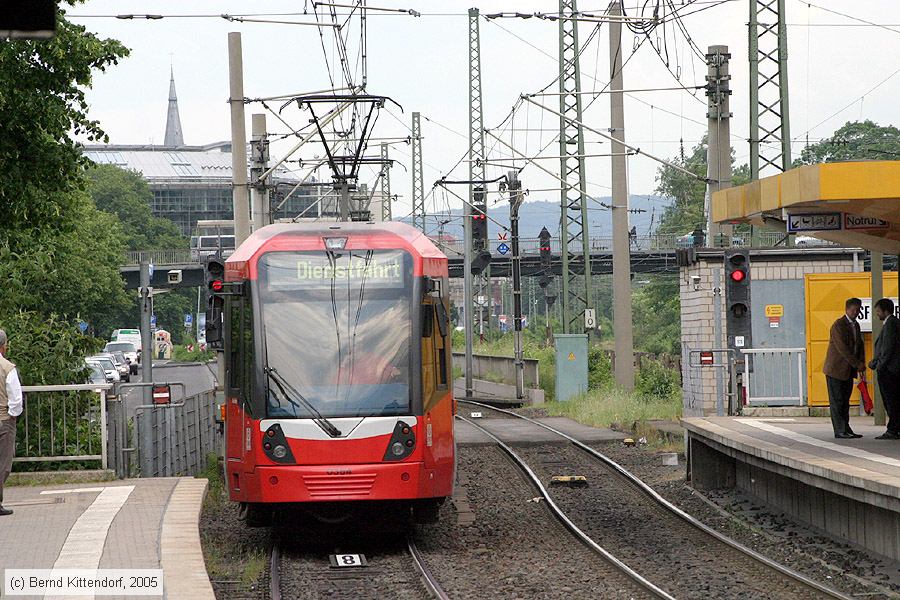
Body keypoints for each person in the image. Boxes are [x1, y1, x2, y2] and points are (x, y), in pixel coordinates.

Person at [823, 298, 867, 439]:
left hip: (847, 370)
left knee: (845, 401)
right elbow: (842, 348)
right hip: (835, 369)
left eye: (858, 310)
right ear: (847, 309)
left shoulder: (856, 325)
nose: (856, 312)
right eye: (853, 310)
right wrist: (857, 363)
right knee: (837, 401)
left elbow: (859, 345)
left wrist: (861, 363)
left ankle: (846, 428)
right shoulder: (838, 325)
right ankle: (839, 430)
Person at [868, 298, 900, 440]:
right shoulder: (892, 323)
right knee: (893, 400)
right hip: (891, 369)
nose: (877, 314)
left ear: (886, 311)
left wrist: (879, 366)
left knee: (891, 400)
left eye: (878, 311)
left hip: (889, 370)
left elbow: (887, 348)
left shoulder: (891, 324)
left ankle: (892, 429)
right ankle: (895, 428)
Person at [0, 329, 23, 516]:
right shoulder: (7, 368)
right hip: (3, 420)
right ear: (3, 346)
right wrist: (12, 415)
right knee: (3, 464)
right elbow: (16, 398)